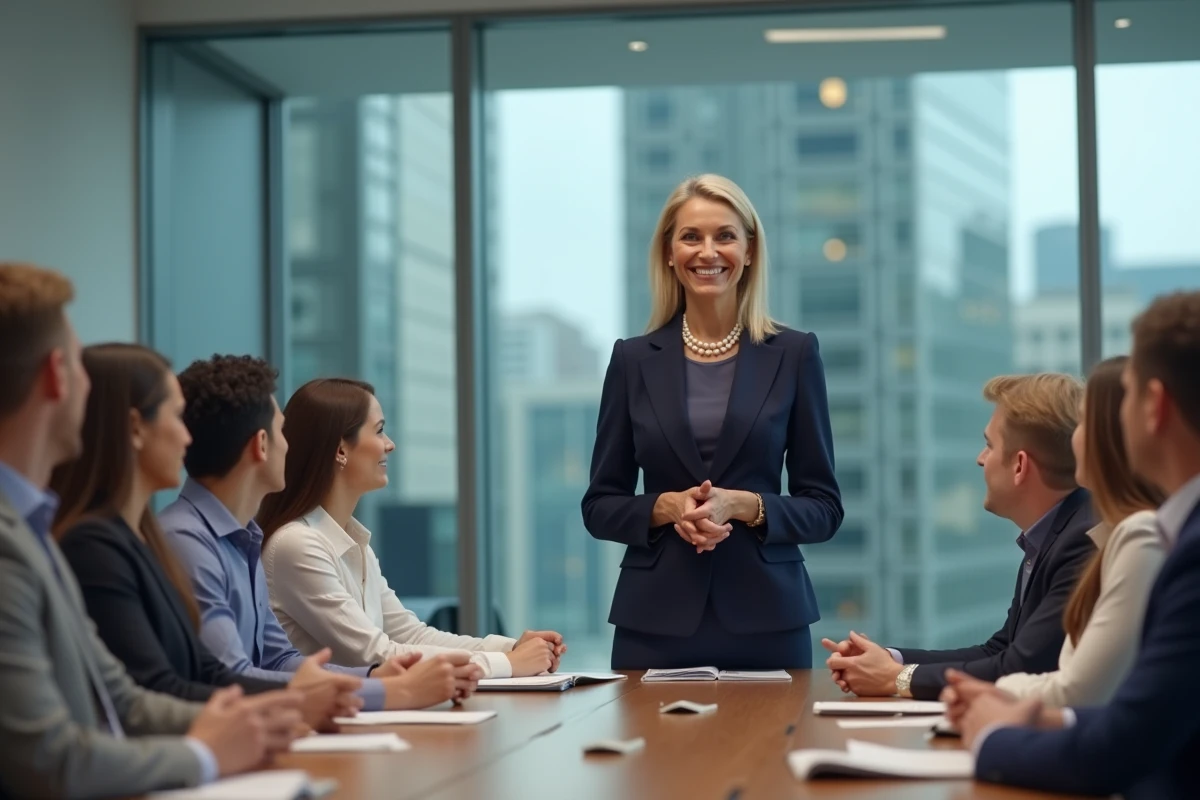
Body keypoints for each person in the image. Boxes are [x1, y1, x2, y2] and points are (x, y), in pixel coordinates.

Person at [0, 263, 302, 798]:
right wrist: (206, 749)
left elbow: (124, 697)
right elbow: (51, 759)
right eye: (79, 366)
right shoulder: (36, 542)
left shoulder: (35, 529)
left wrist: (245, 722)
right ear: (55, 374)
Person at [581, 174, 844, 670]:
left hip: (769, 618)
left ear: (749, 251)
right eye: (691, 236)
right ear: (668, 252)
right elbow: (599, 506)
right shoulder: (632, 360)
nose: (708, 251)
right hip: (653, 622)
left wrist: (744, 506)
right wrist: (666, 507)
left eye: (725, 235)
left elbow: (825, 508)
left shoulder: (795, 354)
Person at [954, 291, 1200, 800]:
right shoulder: (1172, 536)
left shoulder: (1176, 547)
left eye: (1124, 396)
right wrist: (1043, 716)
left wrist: (993, 736)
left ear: (1155, 406)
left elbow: (1122, 741)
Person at [50, 342, 363, 731]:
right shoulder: (149, 541)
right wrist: (309, 700)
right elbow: (170, 687)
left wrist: (365, 682)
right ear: (134, 428)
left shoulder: (151, 537)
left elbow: (225, 668)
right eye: (177, 417)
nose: (187, 437)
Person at [159, 354, 480, 710]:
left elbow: (277, 659)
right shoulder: (187, 541)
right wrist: (390, 691)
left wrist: (374, 678)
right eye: (281, 432)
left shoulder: (244, 539)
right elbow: (230, 675)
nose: (289, 445)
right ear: (261, 445)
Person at [257, 378, 566, 678]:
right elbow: (378, 655)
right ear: (341, 450)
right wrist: (507, 663)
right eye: (379, 431)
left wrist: (511, 647)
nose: (390, 444)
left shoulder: (353, 541)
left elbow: (411, 635)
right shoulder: (296, 545)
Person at [823, 373, 1097, 700]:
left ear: (1020, 466)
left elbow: (1022, 666)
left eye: (989, 445)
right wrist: (889, 660)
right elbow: (1000, 649)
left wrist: (896, 678)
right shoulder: (1057, 531)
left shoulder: (1082, 541)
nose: (980, 459)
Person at [979, 357, 1165, 706]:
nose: (1070, 437)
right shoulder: (1110, 533)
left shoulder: (1135, 537)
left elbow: (1074, 692)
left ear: (1109, 436)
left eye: (1084, 423)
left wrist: (985, 696)